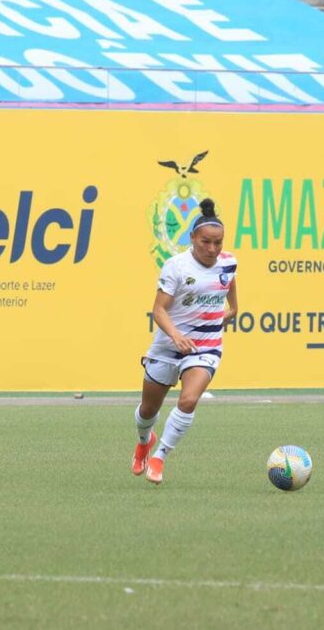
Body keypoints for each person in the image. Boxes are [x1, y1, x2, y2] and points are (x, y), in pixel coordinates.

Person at [132, 198, 238, 485]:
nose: (212, 249)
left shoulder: (229, 263)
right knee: (147, 411)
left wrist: (224, 317)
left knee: (189, 399)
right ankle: (145, 442)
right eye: (206, 242)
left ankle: (160, 456)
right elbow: (159, 310)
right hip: (168, 346)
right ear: (192, 237)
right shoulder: (175, 267)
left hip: (205, 347)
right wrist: (176, 335)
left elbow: (232, 301)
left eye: (218, 243)